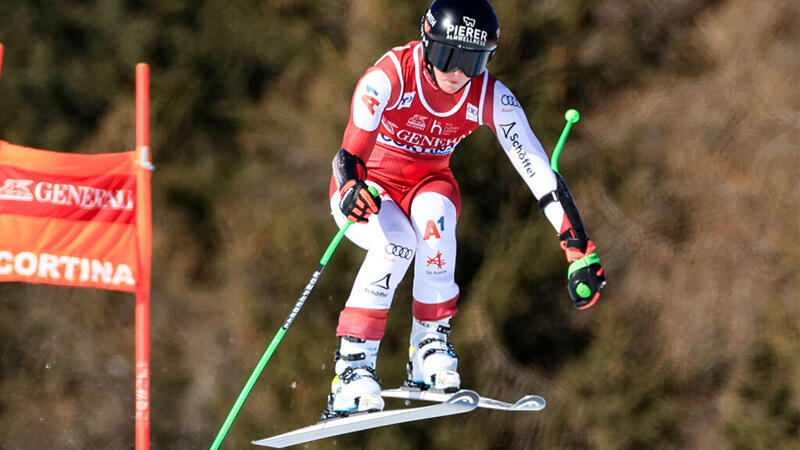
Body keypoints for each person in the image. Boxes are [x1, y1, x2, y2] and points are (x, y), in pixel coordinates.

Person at [321, 0, 606, 419]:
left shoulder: (491, 95)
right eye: (447, 56)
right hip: (371, 187)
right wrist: (350, 189)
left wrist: (578, 246)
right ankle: (352, 368)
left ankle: (429, 347)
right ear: (427, 43)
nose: (457, 73)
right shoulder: (389, 77)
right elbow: (349, 154)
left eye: (472, 61)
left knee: (435, 217)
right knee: (396, 243)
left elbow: (538, 172)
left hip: (426, 185)